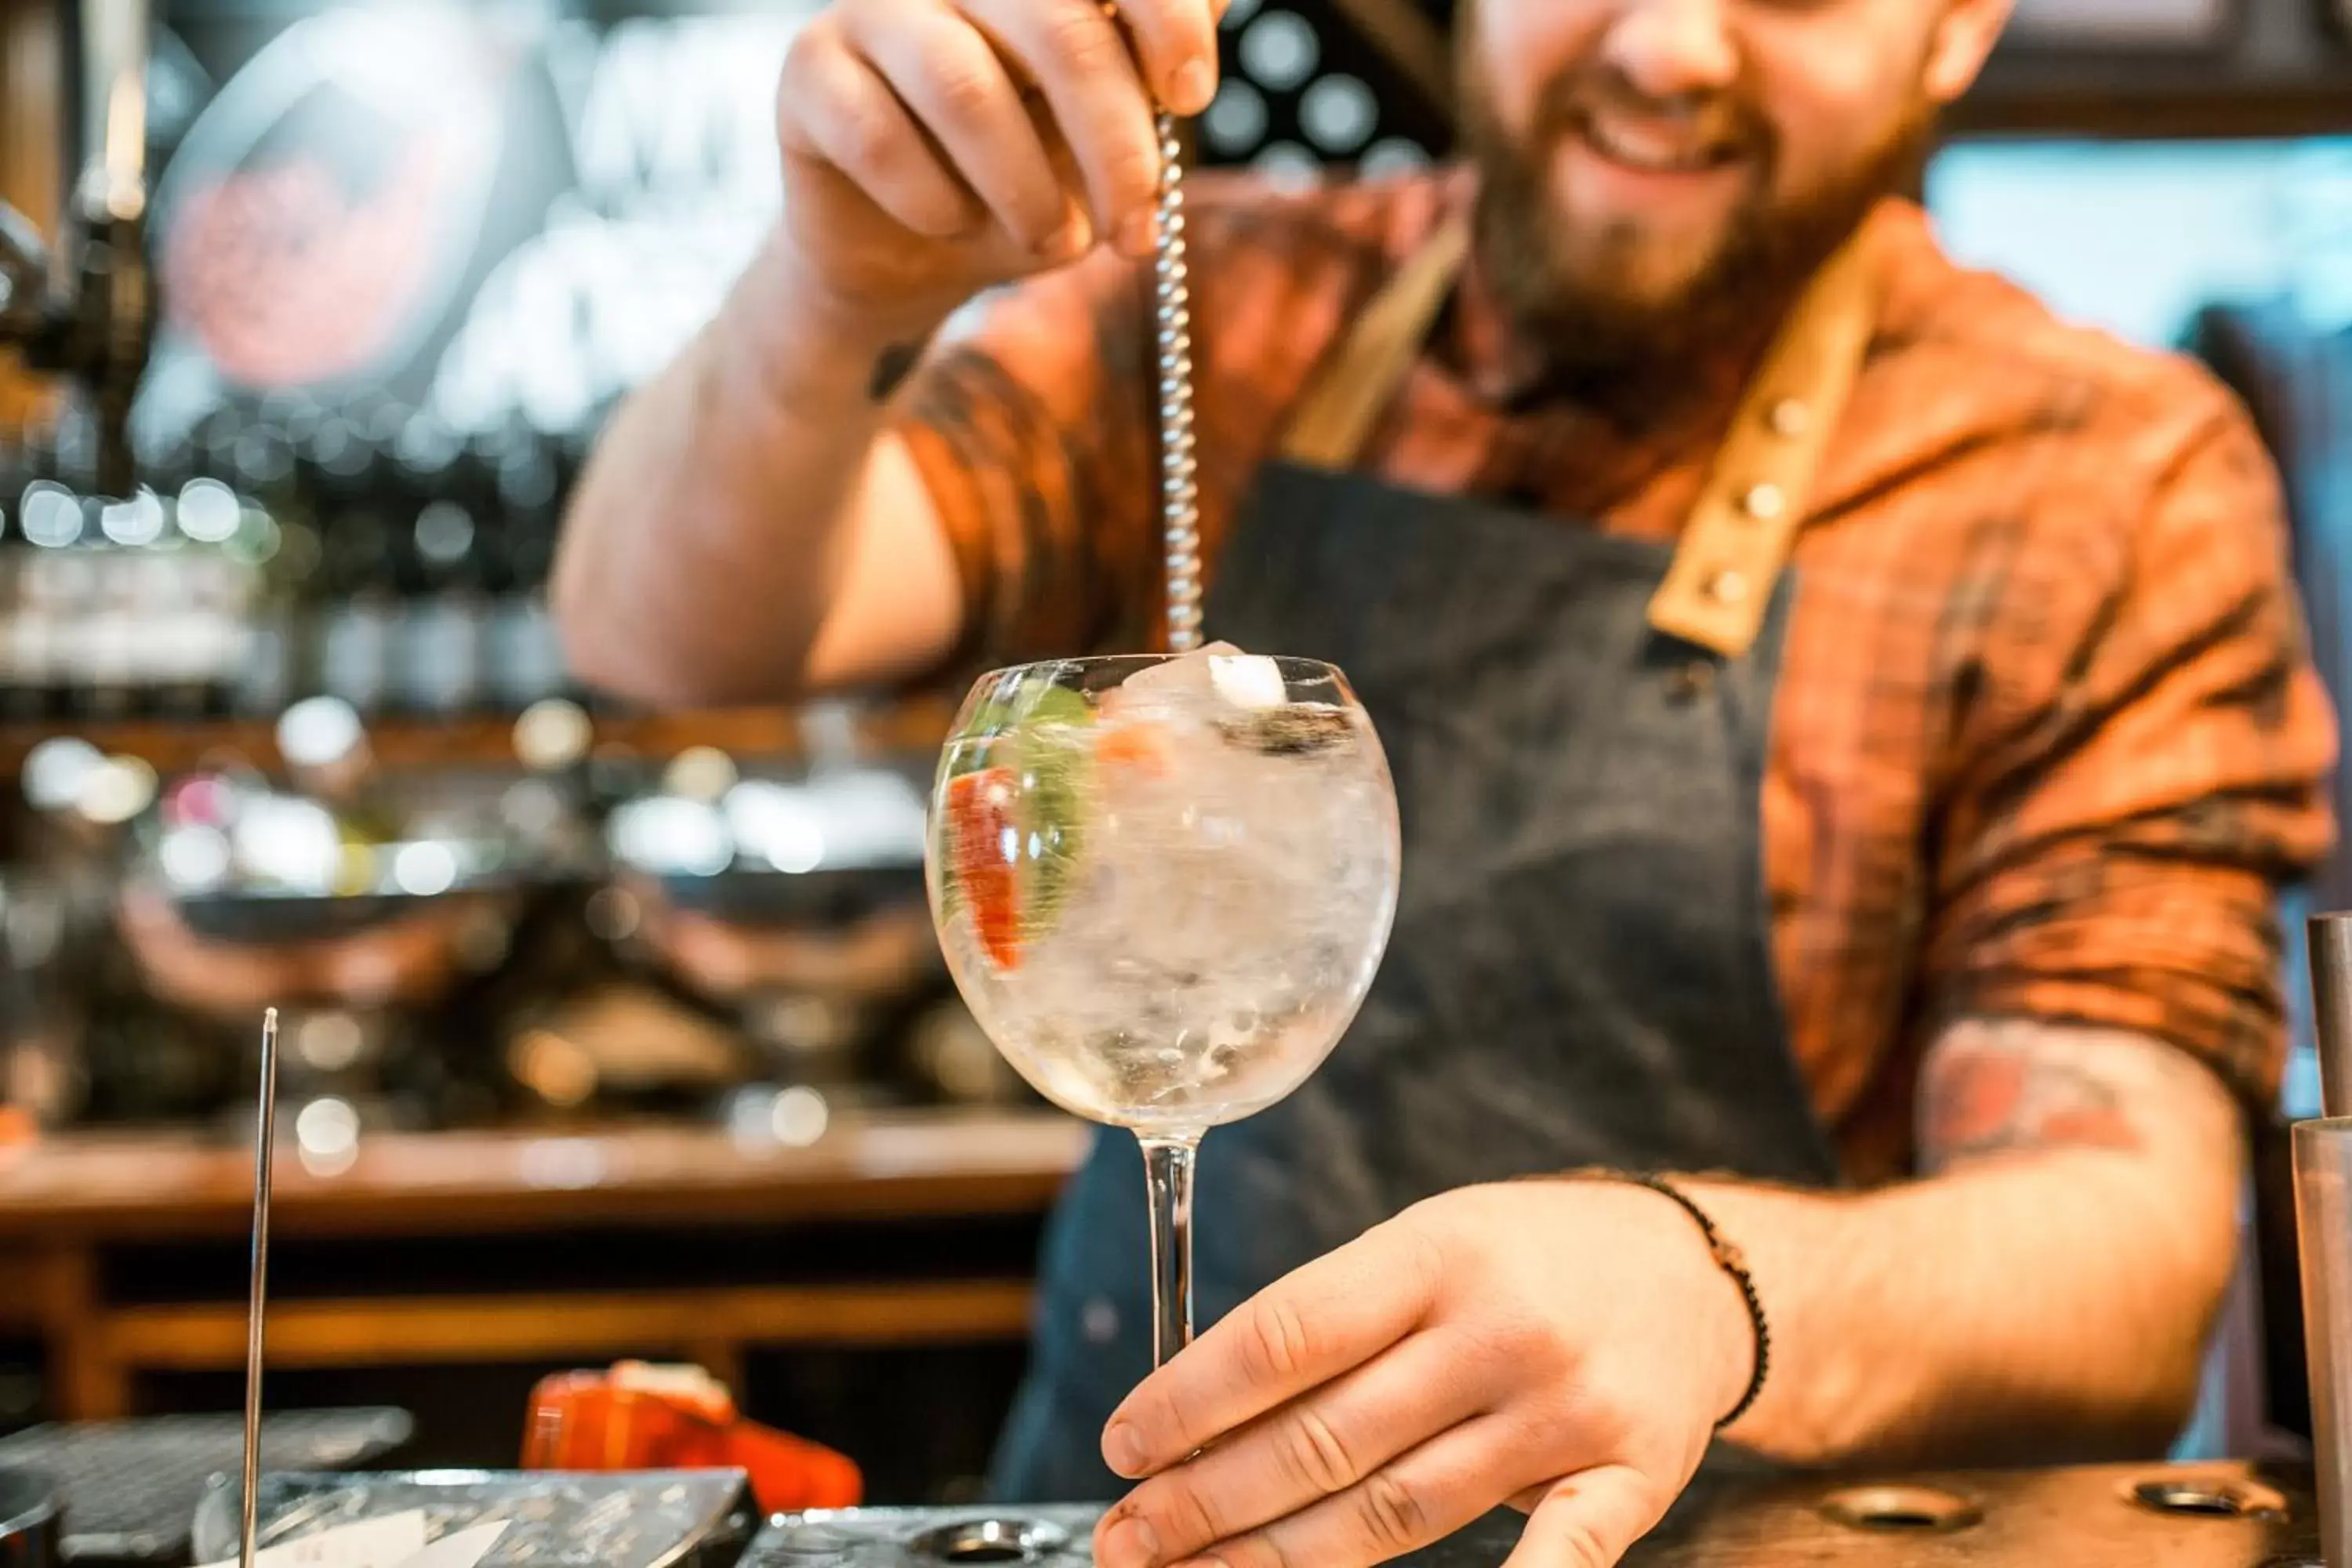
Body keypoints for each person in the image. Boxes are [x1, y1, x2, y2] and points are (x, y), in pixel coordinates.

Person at [550, 0, 2340, 1563]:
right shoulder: (1229, 304)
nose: (1667, 41)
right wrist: (828, 287)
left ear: (1958, 20)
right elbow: (664, 630)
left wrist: (1714, 1287)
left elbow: (2130, 1245)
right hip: (1122, 1515)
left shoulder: (2098, 479)